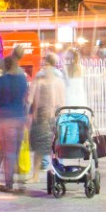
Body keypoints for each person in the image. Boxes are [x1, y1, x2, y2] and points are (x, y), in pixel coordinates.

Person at [0, 55, 28, 193]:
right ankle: (20, 180)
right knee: (16, 150)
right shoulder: (23, 79)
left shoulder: (1, 80)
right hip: (20, 118)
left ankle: (9, 183)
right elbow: (25, 97)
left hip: (6, 119)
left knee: (8, 152)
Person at [26, 58, 66, 191]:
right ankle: (35, 175)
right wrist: (28, 112)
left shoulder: (58, 81)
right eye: (43, 65)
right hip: (40, 118)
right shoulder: (38, 80)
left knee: (54, 148)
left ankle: (59, 173)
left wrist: (62, 116)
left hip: (52, 117)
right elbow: (30, 98)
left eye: (47, 64)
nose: (44, 67)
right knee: (38, 148)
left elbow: (62, 100)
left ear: (52, 65)